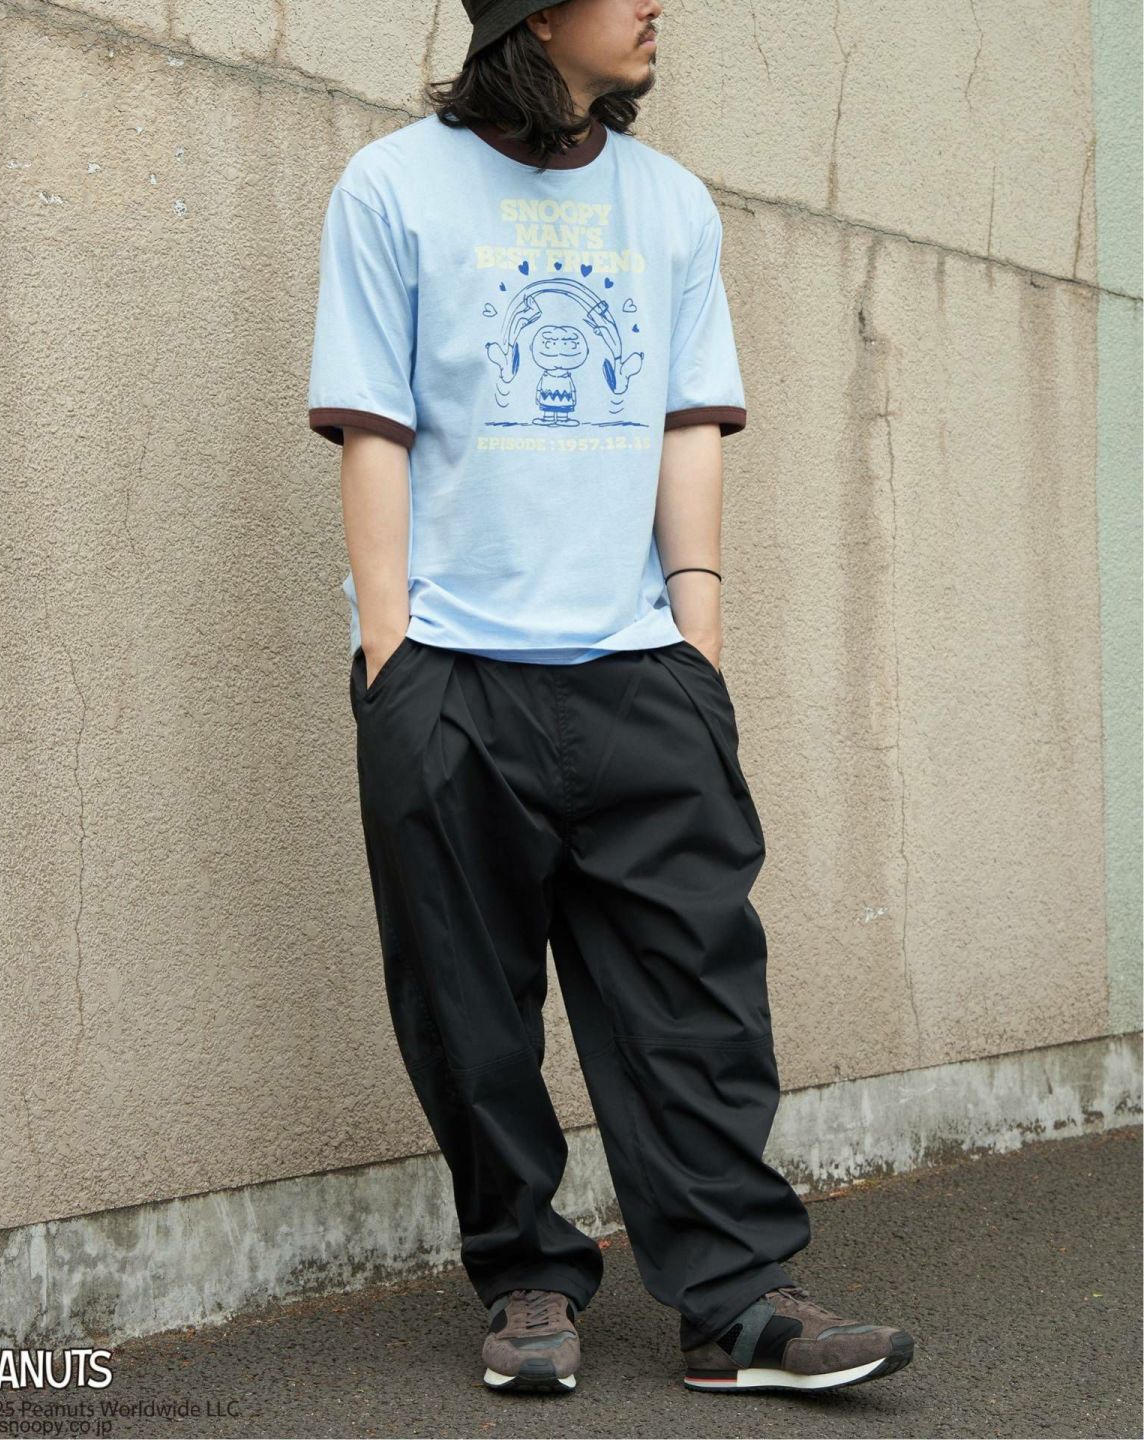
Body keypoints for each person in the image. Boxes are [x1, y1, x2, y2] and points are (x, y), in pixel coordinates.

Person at [307, 0, 915, 1398]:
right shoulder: (392, 189)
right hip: (451, 671)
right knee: (469, 1009)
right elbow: (373, 429)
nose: (655, 7)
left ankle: (737, 1304)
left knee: (697, 995)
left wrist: (697, 642)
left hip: (639, 669)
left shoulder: (671, 205)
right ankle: (524, 1276)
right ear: (534, 12)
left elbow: (690, 421)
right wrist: (394, 661)